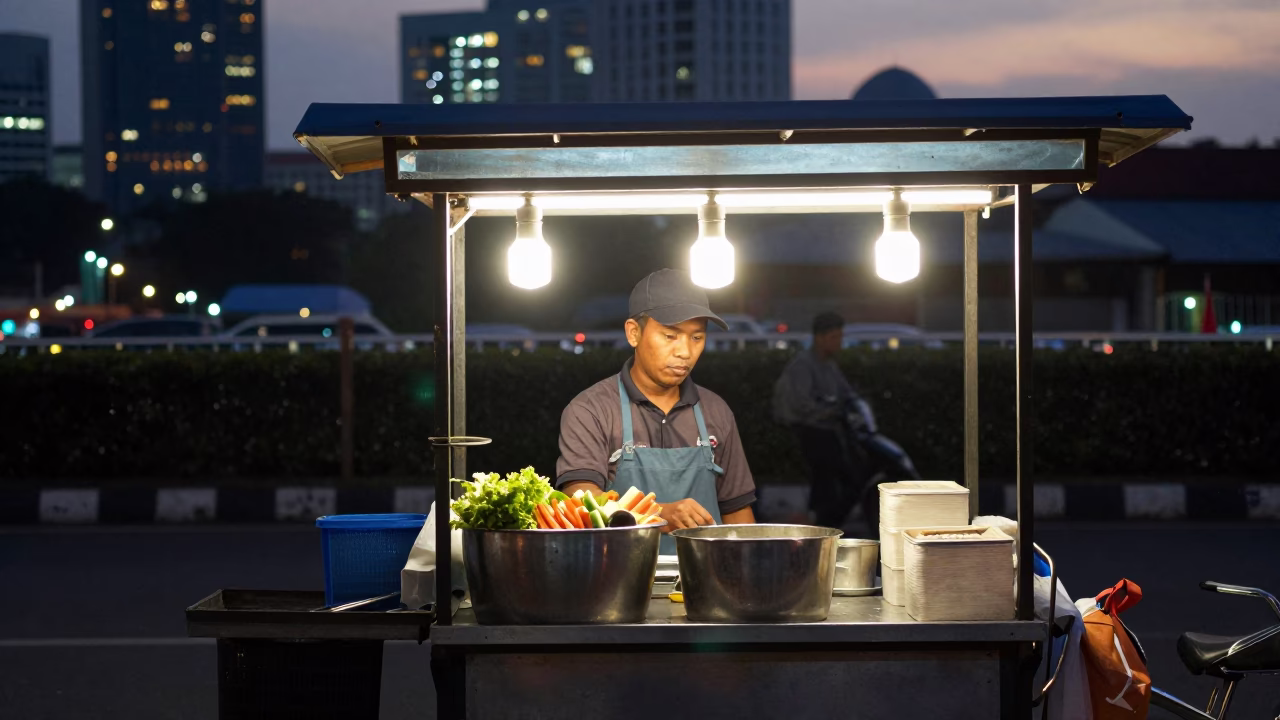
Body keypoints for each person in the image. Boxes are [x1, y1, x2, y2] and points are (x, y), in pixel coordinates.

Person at [556, 269, 756, 551]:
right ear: (633, 333)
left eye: (696, 338)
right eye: (670, 335)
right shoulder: (591, 410)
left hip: (704, 574)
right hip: (617, 572)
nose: (685, 352)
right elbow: (580, 497)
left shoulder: (715, 410)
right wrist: (658, 514)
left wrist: (749, 567)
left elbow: (737, 510)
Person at [772, 312, 866, 529]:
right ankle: (824, 523)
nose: (839, 342)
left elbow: (846, 393)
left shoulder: (829, 365)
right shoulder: (803, 366)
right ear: (820, 338)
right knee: (835, 478)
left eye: (840, 337)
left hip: (828, 430)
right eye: (834, 337)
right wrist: (830, 411)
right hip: (811, 431)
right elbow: (802, 404)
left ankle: (824, 522)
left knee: (839, 479)